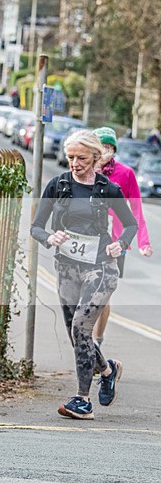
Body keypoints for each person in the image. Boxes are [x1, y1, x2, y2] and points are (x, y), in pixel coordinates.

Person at [30, 129, 137, 420]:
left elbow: (130, 224)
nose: (74, 163)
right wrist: (49, 238)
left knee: (81, 326)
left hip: (101, 266)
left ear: (95, 156)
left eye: (80, 157)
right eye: (70, 157)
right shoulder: (58, 185)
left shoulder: (107, 189)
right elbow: (36, 226)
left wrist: (121, 244)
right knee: (77, 334)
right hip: (66, 268)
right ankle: (107, 369)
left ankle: (82, 400)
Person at [91, 127, 153, 346]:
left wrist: (143, 242)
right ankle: (84, 340)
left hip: (116, 244)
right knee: (88, 295)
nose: (105, 151)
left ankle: (97, 341)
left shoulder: (126, 174)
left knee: (103, 296)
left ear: (114, 149)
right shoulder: (85, 172)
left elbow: (136, 210)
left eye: (109, 147)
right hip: (89, 242)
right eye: (101, 146)